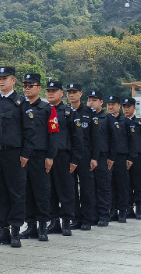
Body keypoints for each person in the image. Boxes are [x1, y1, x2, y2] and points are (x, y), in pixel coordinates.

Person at [0, 66, 33, 248]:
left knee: (16, 192)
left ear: (13, 81)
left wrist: (25, 154)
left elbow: (30, 132)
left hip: (15, 154)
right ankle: (3, 229)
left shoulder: (21, 103)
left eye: (5, 78)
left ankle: (15, 229)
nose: (1, 81)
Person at [18, 74, 58, 242]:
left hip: (41, 155)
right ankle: (31, 225)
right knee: (25, 191)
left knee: (41, 191)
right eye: (25, 85)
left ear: (39, 88)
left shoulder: (48, 108)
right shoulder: (19, 106)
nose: (27, 88)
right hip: (23, 156)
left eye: (31, 85)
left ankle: (42, 226)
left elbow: (54, 134)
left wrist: (50, 156)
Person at [44, 81, 85, 237]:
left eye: (54, 91)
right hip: (47, 155)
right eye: (48, 91)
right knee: (50, 190)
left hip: (63, 156)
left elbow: (77, 138)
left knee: (66, 189)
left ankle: (67, 221)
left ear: (61, 93)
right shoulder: (43, 111)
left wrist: (75, 159)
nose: (50, 93)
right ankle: (53, 221)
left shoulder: (68, 113)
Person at [66, 84, 96, 231]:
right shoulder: (65, 111)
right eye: (69, 93)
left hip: (85, 155)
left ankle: (87, 219)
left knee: (86, 188)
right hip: (69, 155)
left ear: (80, 94)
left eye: (74, 92)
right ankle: (75, 218)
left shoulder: (89, 112)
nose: (71, 95)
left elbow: (95, 137)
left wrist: (94, 157)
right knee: (70, 189)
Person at [88, 91, 115, 227]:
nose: (91, 103)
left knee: (103, 188)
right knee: (90, 189)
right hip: (88, 158)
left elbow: (114, 138)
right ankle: (92, 215)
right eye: (89, 100)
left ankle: (104, 215)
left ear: (101, 102)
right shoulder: (86, 116)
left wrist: (112, 156)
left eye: (94, 100)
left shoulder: (108, 118)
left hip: (103, 158)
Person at [122, 97, 141, 220]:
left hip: (138, 157)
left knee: (138, 184)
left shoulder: (140, 122)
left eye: (129, 106)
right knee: (126, 184)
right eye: (124, 107)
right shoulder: (120, 122)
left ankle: (138, 208)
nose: (126, 109)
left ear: (134, 108)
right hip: (124, 157)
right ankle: (128, 208)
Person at [106, 96, 132, 223]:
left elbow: (132, 140)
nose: (110, 107)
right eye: (109, 104)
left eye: (113, 104)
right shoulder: (105, 120)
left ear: (119, 106)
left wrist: (131, 157)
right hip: (108, 157)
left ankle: (122, 211)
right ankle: (112, 211)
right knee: (110, 186)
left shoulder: (125, 121)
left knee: (122, 185)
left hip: (122, 157)